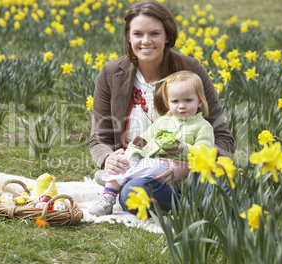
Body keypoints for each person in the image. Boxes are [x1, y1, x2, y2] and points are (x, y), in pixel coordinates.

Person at [89, 0, 234, 216]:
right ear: (129, 37)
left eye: (154, 33)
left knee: (216, 185)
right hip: (143, 169)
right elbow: (98, 139)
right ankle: (194, 207)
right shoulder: (111, 73)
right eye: (138, 34)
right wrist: (108, 159)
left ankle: (204, 205)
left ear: (167, 36)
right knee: (131, 192)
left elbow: (223, 137)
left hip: (191, 165)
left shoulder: (190, 70)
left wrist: (188, 166)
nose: (146, 41)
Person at [89, 70, 215, 216]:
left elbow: (206, 152)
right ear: (168, 102)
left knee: (146, 170)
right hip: (154, 171)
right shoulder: (162, 122)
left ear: (200, 101)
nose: (181, 106)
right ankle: (108, 198)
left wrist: (184, 148)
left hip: (177, 175)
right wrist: (136, 146)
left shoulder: (202, 126)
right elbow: (146, 139)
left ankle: (117, 179)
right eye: (175, 101)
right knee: (125, 160)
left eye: (188, 100)